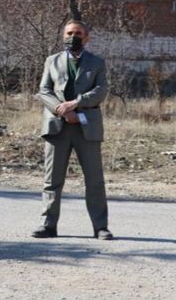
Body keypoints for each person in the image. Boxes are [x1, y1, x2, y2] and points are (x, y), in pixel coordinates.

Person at [32, 19, 112, 240]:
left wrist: (76, 104)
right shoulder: (52, 61)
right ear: (63, 35)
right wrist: (62, 110)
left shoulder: (97, 62)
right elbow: (44, 91)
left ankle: (100, 227)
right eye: (69, 33)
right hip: (57, 127)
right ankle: (48, 225)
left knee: (95, 180)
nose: (72, 37)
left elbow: (101, 91)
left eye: (77, 33)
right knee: (52, 180)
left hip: (87, 126)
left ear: (86, 37)